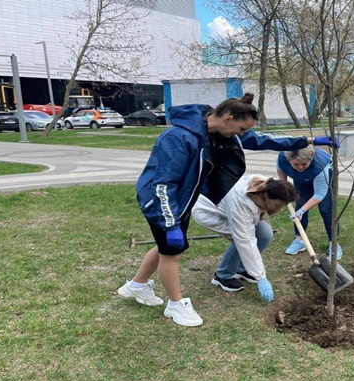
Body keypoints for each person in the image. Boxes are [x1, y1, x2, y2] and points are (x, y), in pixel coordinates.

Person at [117, 92, 340, 327]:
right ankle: (176, 305)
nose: (242, 135)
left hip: (182, 198)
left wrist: (307, 141)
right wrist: (170, 222)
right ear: (228, 118)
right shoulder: (180, 137)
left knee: (165, 247)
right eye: (241, 129)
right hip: (162, 201)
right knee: (172, 252)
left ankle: (137, 286)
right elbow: (163, 184)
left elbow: (262, 140)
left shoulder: (216, 131)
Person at [192, 175, 298, 301]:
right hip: (211, 212)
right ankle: (223, 275)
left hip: (235, 209)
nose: (279, 209)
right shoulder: (241, 202)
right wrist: (261, 277)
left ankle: (242, 270)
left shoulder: (269, 184)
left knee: (265, 234)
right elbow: (245, 241)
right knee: (240, 242)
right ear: (266, 196)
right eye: (277, 204)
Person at [277, 145, 341, 259]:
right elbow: (281, 170)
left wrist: (301, 211)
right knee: (300, 204)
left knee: (326, 209)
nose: (300, 167)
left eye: (304, 164)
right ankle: (300, 241)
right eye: (296, 164)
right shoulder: (283, 157)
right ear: (289, 161)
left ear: (311, 159)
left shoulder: (320, 165)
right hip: (301, 180)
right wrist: (284, 189)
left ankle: (334, 244)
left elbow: (319, 194)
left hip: (325, 179)